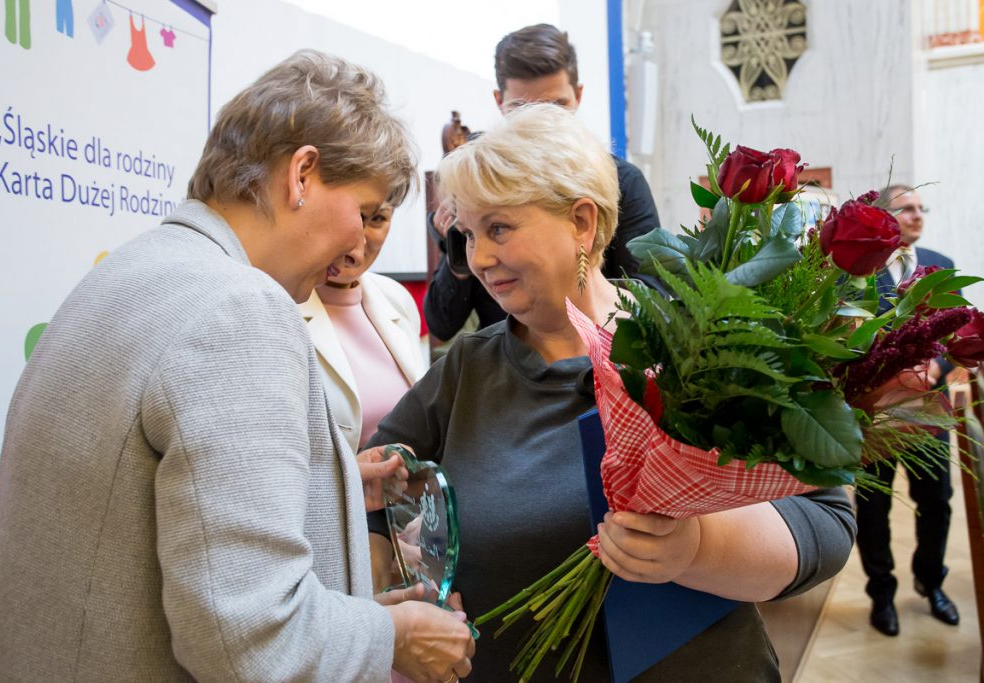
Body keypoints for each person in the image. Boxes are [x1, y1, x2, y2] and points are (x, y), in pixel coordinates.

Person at [0, 50, 474, 683]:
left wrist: (336, 488)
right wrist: (393, 637)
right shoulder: (240, 310)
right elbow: (251, 643)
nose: (358, 244)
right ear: (302, 175)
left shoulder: (133, 272)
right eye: (363, 209)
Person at [369, 104, 856, 681]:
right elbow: (374, 492)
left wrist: (696, 548)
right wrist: (409, 585)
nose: (478, 259)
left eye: (498, 229)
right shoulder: (467, 369)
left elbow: (825, 520)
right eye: (469, 235)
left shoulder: (696, 340)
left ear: (582, 221)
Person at [423, 23, 661, 341]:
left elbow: (653, 300)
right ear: (498, 101)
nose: (540, 123)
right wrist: (456, 247)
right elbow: (441, 323)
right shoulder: (477, 188)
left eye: (556, 108)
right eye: (521, 109)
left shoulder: (623, 182)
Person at [857, 185, 960, 637]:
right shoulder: (859, 269)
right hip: (875, 408)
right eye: (907, 209)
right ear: (884, 217)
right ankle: (881, 593)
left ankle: (931, 581)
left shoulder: (941, 265)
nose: (918, 215)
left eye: (922, 208)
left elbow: (958, 330)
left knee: (936, 500)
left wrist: (937, 368)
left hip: (927, 405)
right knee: (873, 504)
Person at [300, 198, 428, 455]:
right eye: (352, 215)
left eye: (377, 219)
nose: (358, 239)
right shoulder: (280, 304)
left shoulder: (395, 297)